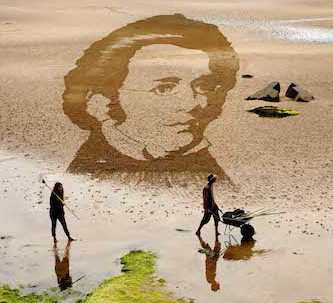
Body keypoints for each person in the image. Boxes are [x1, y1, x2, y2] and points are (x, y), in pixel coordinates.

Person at [61, 14, 239, 181]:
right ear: (104, 101)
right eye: (163, 89)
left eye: (204, 86)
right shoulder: (90, 174)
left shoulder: (207, 167)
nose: (191, 104)